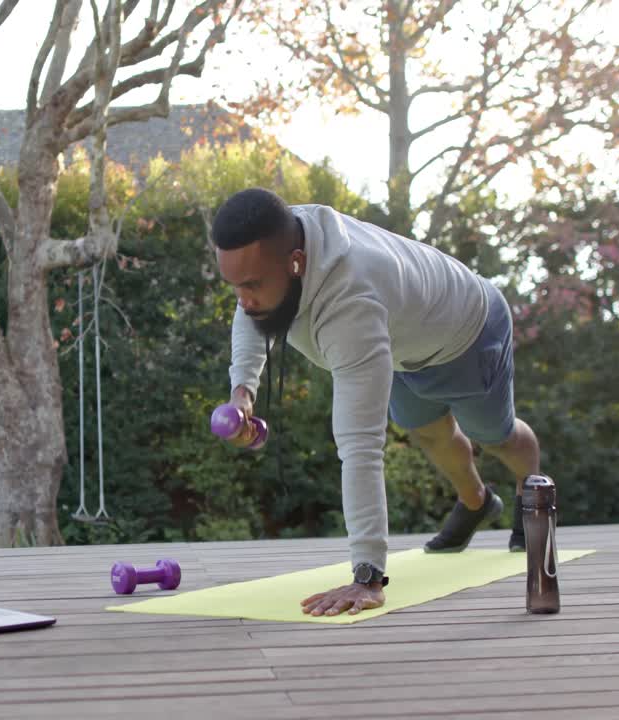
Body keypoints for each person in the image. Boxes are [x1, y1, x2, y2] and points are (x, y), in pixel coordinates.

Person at [212, 188, 543, 617]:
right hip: (406, 339)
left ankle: (530, 490)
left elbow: (360, 446)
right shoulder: (278, 241)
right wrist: (243, 393)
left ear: (295, 263)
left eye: (252, 285)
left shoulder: (352, 303)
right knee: (427, 431)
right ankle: (477, 503)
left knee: (493, 434)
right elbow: (250, 314)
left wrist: (367, 575)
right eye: (235, 285)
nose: (243, 299)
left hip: (468, 333)